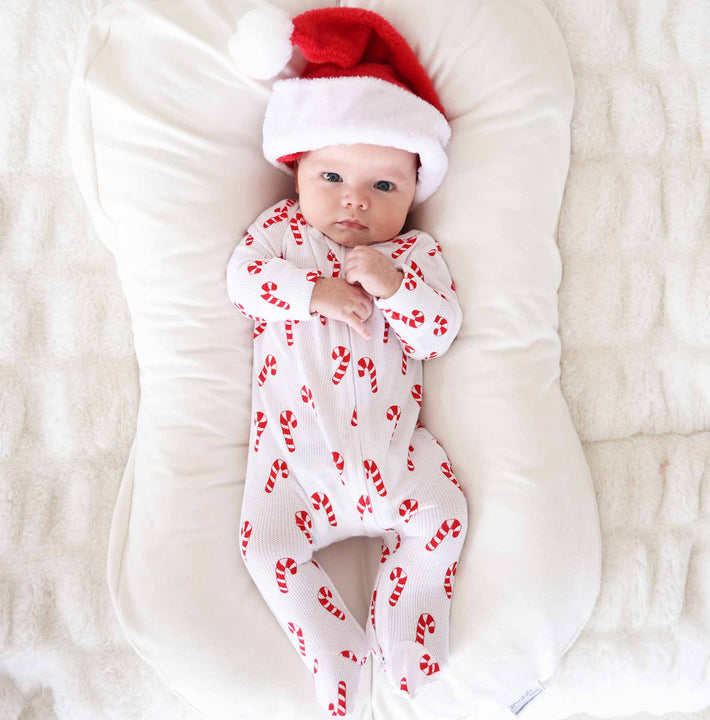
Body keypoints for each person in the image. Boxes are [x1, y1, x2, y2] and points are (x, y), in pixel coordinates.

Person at [226, 7, 467, 717]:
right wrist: (310, 291)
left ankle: (408, 635)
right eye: (332, 175)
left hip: (392, 461)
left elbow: (439, 332)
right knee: (264, 550)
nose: (355, 200)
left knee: (445, 516)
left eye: (385, 187)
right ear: (298, 169)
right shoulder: (280, 235)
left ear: (413, 194)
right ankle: (336, 649)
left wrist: (395, 290)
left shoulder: (414, 257)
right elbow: (243, 282)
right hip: (293, 470)